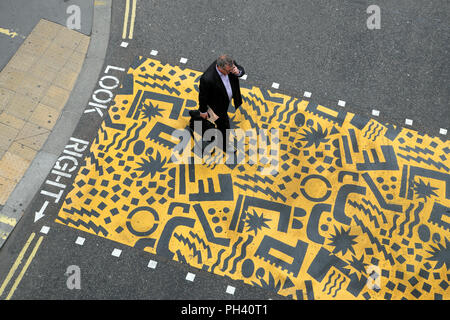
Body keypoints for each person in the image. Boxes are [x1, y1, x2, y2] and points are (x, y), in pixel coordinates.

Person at [198, 54, 245, 152]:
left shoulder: (230, 65)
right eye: (229, 71)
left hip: (225, 101)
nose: (231, 71)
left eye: (232, 69)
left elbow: (241, 70)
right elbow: (203, 96)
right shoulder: (207, 78)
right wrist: (203, 111)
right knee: (224, 125)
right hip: (216, 106)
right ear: (220, 68)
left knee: (209, 120)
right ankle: (224, 145)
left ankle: (198, 119)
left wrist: (238, 72)